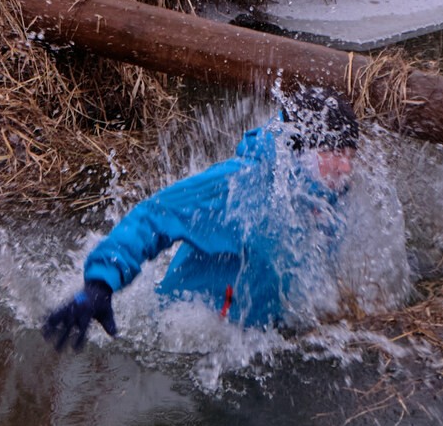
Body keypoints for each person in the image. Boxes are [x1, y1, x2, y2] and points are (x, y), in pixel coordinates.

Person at [42, 86, 362, 349]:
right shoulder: (242, 184)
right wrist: (100, 284)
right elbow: (156, 216)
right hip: (188, 342)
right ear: (299, 149)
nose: (345, 167)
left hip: (262, 338)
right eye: (333, 152)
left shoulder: (327, 199)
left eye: (350, 155)